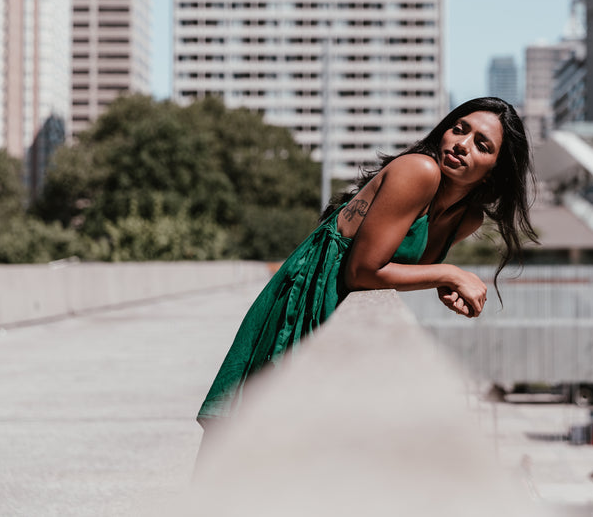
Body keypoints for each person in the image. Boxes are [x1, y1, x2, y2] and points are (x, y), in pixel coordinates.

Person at [196, 97, 538, 432]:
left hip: (337, 302)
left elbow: (401, 264)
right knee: (253, 429)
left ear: (495, 171)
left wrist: (439, 283)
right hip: (310, 294)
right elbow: (362, 271)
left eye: (481, 145)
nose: (461, 144)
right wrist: (449, 273)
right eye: (458, 130)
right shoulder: (420, 170)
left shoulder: (467, 218)